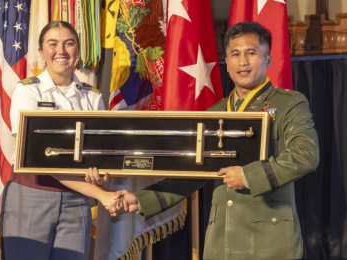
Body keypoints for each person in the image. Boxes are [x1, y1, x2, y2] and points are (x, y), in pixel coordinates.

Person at [87, 21, 319, 259]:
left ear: (268, 60)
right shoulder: (215, 112)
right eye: (235, 54)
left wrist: (248, 176)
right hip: (222, 241)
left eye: (252, 53)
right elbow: (191, 175)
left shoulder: (289, 103)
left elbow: (305, 155)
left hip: (270, 241)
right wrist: (139, 199)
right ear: (226, 62)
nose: (243, 62)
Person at [0, 21, 126, 260]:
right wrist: (102, 194)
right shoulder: (27, 91)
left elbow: (96, 153)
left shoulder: (92, 97)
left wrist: (99, 175)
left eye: (69, 43)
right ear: (41, 52)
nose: (61, 51)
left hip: (76, 200)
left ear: (78, 50)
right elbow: (38, 157)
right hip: (31, 194)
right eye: (52, 44)